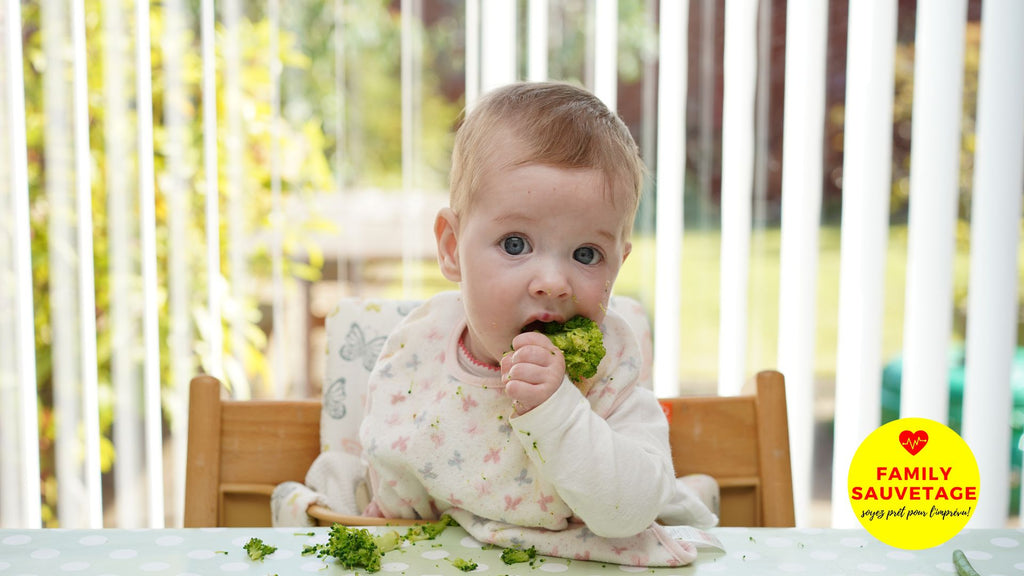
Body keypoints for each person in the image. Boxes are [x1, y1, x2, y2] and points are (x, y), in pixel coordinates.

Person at [358, 82, 716, 554]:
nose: (553, 282)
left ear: (618, 264)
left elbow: (630, 510)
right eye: (515, 244)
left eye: (586, 253)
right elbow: (395, 457)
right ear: (451, 249)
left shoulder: (610, 370)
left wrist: (558, 411)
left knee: (672, 494)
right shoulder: (421, 346)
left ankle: (697, 492)